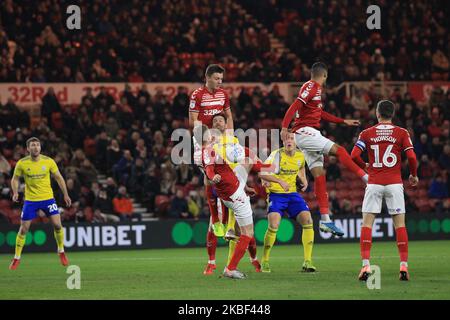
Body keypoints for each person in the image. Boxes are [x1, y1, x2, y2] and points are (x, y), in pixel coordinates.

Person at [281, 62, 368, 236]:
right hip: (305, 132)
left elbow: (320, 114)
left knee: (319, 176)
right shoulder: (311, 86)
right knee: (341, 151)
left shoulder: (315, 91)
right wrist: (284, 127)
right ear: (325, 75)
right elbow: (295, 105)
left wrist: (343, 121)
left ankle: (325, 221)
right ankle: (367, 179)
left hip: (308, 133)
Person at [351, 100, 418, 281]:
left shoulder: (367, 133)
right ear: (393, 114)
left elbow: (354, 155)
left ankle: (365, 266)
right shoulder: (402, 133)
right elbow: (411, 156)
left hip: (374, 183)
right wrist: (413, 174)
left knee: (367, 225)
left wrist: (365, 165)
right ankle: (403, 266)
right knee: (400, 226)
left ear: (377, 114)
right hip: (395, 183)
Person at [194, 125, 270, 279]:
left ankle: (242, 259)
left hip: (232, 189)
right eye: (211, 135)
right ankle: (230, 268)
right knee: (247, 233)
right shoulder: (209, 151)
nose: (214, 136)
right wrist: (212, 176)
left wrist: (245, 186)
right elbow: (209, 169)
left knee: (248, 161)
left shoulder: (206, 152)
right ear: (207, 138)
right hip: (233, 194)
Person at [9, 137, 72, 270]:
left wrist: (65, 194)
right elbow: (15, 179)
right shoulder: (22, 163)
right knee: (24, 229)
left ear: (40, 148)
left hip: (48, 199)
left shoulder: (48, 161)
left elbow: (59, 177)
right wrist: (15, 192)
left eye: (37, 145)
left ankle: (61, 251)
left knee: (58, 225)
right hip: (30, 200)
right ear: (28, 149)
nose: (36, 147)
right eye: (32, 145)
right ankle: (16, 258)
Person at [258, 132, 316, 273]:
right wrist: (267, 181)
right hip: (276, 194)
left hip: (292, 195)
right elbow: (262, 173)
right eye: (287, 139)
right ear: (283, 141)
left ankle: (308, 261)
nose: (289, 141)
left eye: (292, 139)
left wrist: (304, 180)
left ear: (296, 142)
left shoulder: (300, 156)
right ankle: (264, 260)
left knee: (308, 220)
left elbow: (301, 168)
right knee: (274, 224)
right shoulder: (276, 155)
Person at [189, 64, 234, 237]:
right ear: (206, 77)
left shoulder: (224, 94)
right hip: (203, 138)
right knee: (209, 176)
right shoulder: (197, 95)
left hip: (221, 139)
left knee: (223, 176)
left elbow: (229, 116)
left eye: (221, 79)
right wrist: (205, 138)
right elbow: (194, 120)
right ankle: (215, 219)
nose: (219, 82)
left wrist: (229, 137)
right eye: (216, 78)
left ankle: (224, 221)